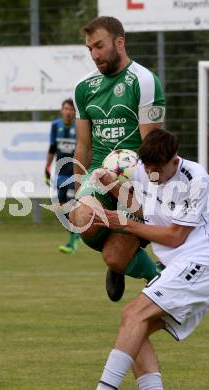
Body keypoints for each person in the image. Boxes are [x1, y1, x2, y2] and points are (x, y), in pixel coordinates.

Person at [92, 129, 209, 390]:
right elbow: (146, 212)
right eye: (148, 169)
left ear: (174, 160)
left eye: (158, 168)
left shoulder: (195, 179)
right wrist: (110, 186)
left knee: (133, 316)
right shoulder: (145, 172)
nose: (152, 175)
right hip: (185, 266)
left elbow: (174, 236)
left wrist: (124, 224)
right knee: (134, 331)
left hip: (205, 264)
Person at [71, 16, 166, 301]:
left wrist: (148, 196)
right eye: (90, 49)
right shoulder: (84, 88)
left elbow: (153, 147)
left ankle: (135, 266)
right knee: (83, 219)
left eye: (99, 46)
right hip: (99, 175)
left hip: (135, 182)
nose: (95, 54)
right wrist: (78, 190)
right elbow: (84, 146)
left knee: (114, 259)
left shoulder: (145, 81)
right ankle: (147, 269)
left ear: (119, 42)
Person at [45, 98, 82, 254]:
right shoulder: (55, 125)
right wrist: (46, 168)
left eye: (71, 109)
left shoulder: (80, 127)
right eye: (66, 108)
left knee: (73, 205)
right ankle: (75, 234)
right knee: (61, 207)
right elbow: (52, 148)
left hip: (75, 173)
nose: (68, 112)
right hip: (61, 173)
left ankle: (74, 239)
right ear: (62, 110)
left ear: (75, 112)